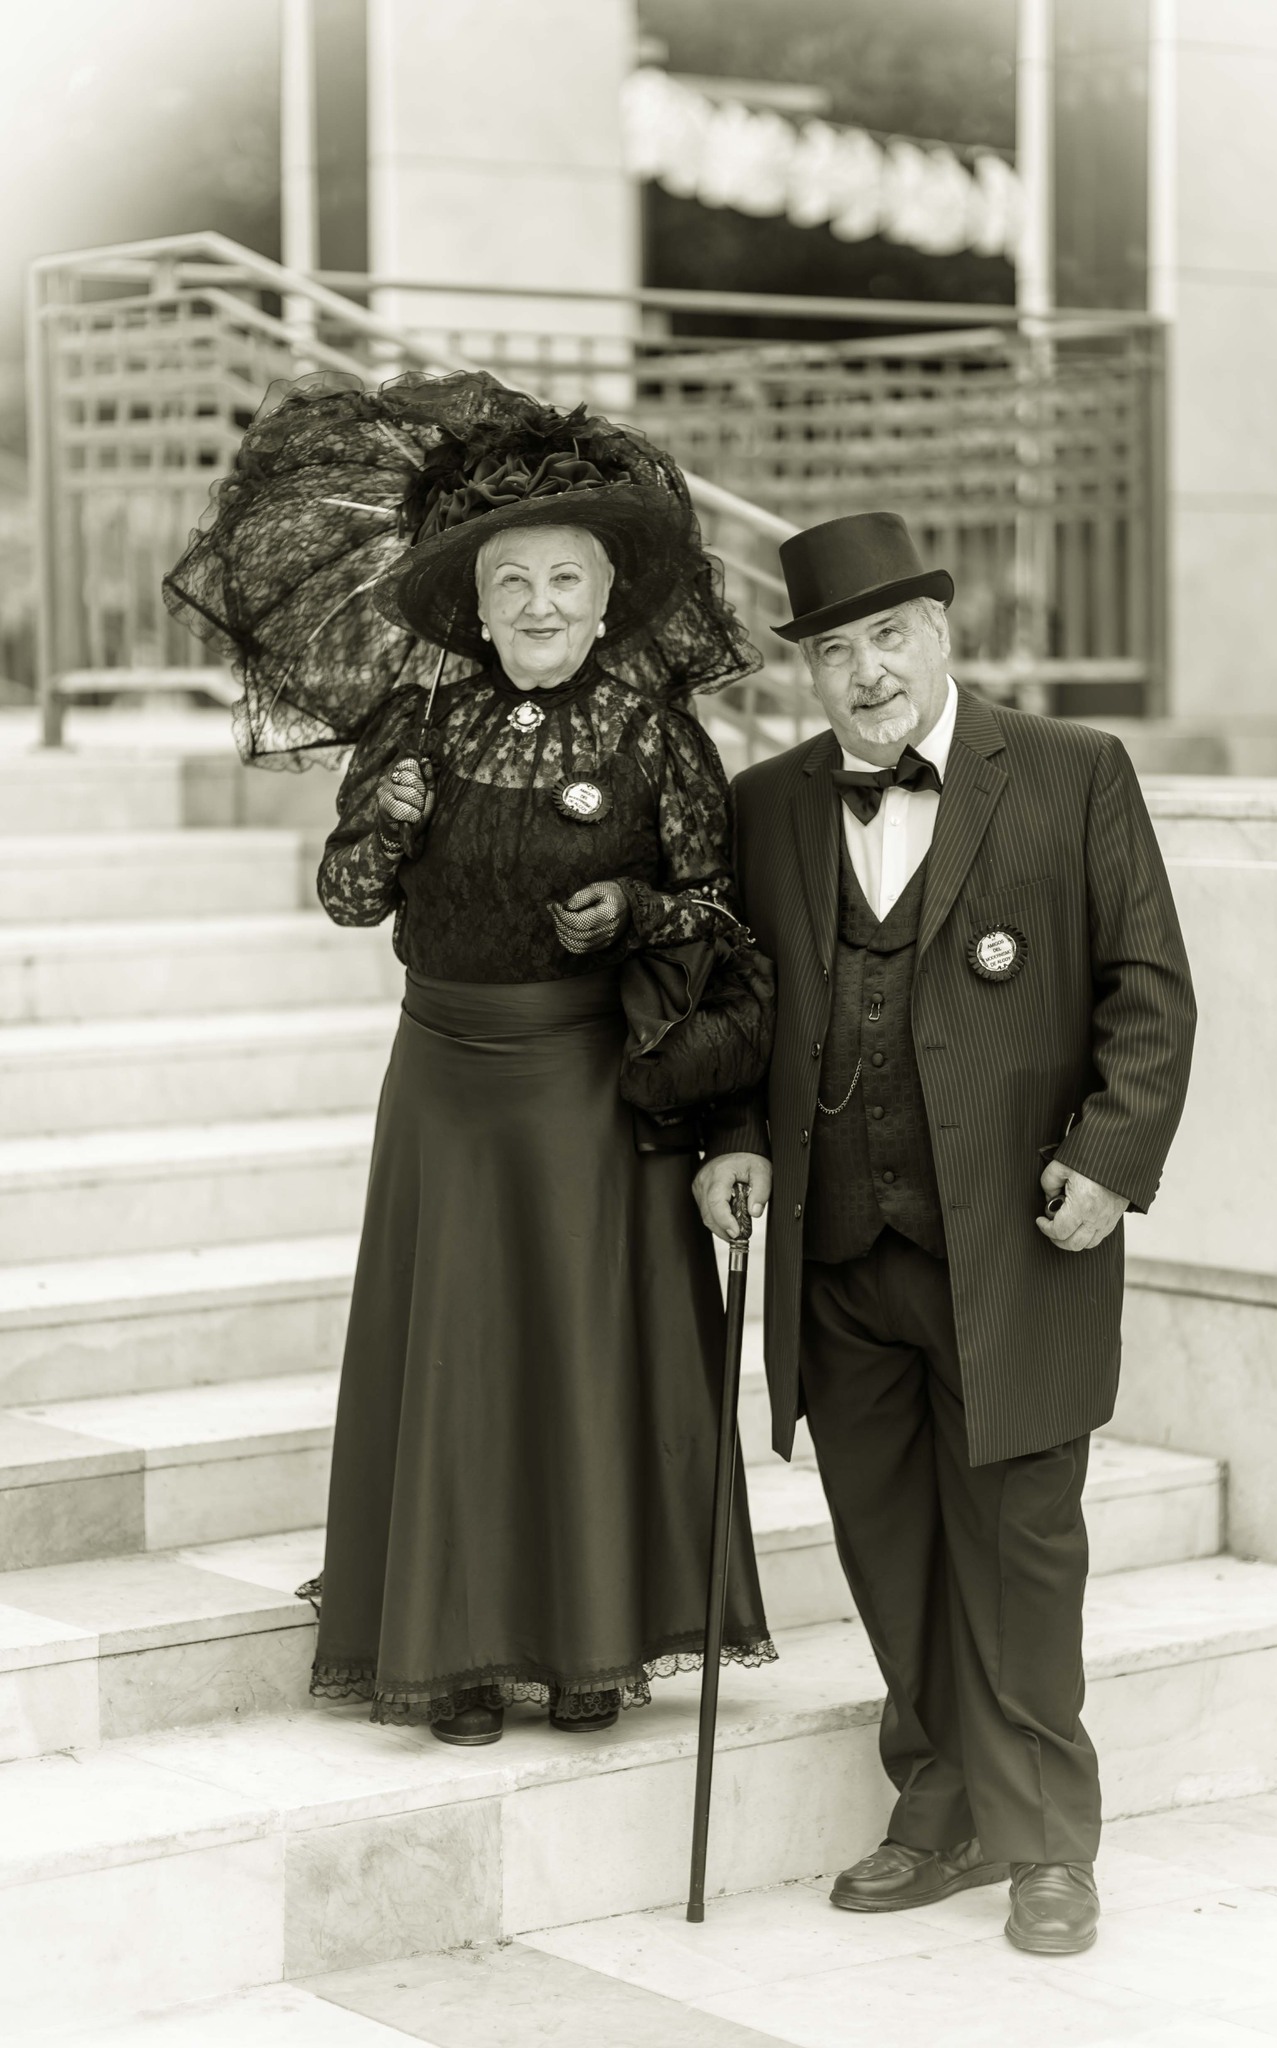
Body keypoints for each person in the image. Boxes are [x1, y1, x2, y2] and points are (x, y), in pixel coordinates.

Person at [166, 372, 774, 1744]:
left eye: (567, 579)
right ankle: (458, 1656)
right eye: (513, 583)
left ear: (608, 601)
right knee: (459, 1363)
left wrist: (639, 914)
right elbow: (349, 900)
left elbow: (726, 926)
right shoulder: (415, 724)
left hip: (592, 1093)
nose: (541, 604)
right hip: (445, 1085)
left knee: (581, 1360)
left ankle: (587, 1646)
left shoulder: (660, 738)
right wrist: (382, 818)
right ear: (475, 607)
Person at [694, 511, 1195, 1952]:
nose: (866, 674)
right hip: (840, 1253)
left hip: (1018, 1244)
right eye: (834, 652)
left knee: (1023, 1545)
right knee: (889, 1540)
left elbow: (1150, 991)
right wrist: (730, 1134)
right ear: (809, 671)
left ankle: (1046, 1841)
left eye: (889, 638)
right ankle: (939, 1804)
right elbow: (740, 1003)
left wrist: (1111, 1160)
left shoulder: (1072, 771)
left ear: (940, 632)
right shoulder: (769, 803)